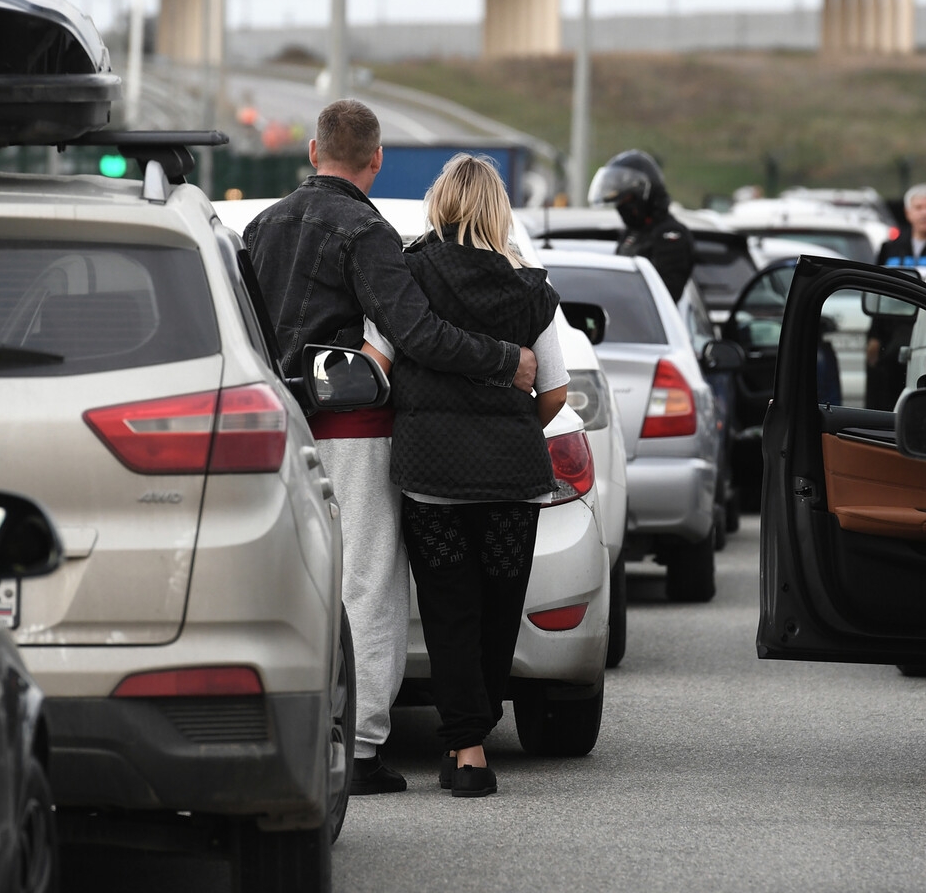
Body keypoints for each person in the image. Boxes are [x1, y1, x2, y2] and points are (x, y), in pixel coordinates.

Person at [243, 101, 538, 796]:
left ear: (313, 150)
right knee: (366, 584)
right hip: (354, 433)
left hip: (271, 429)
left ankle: (288, 728)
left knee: (289, 580)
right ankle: (362, 745)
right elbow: (418, 333)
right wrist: (505, 359)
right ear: (374, 161)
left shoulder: (259, 226)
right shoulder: (366, 230)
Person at [359, 153, 568, 798]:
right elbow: (555, 391)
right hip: (513, 477)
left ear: (441, 204)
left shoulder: (408, 276)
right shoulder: (532, 288)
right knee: (499, 611)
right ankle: (472, 737)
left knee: (449, 609)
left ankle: (467, 749)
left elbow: (378, 364)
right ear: (498, 210)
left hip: (433, 476)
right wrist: (508, 423)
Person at [865, 182, 926, 410]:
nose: (925, 213)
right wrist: (874, 336)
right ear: (908, 212)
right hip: (893, 332)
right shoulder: (890, 249)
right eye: (919, 207)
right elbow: (878, 293)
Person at [591, 149, 696, 301]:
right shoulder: (633, 233)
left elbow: (664, 295)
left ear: (642, 196)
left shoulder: (670, 235)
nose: (621, 207)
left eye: (626, 200)